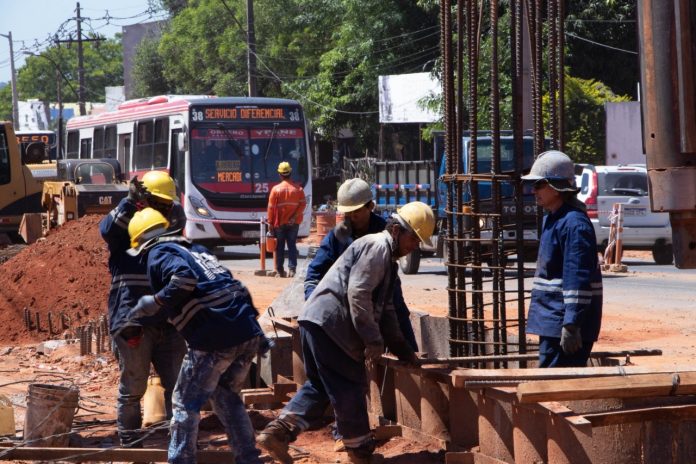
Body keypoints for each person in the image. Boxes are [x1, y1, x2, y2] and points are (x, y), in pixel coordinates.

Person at [256, 201, 435, 464]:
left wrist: (404, 350)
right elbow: (358, 294)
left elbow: (386, 312)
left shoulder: (386, 261)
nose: (414, 246)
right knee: (350, 386)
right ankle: (360, 453)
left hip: (315, 322)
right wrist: (372, 340)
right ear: (396, 230)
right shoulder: (378, 248)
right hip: (331, 326)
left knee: (320, 387)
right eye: (413, 238)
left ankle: (277, 433)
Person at [126, 207, 267, 464]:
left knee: (183, 403)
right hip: (246, 331)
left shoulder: (158, 252)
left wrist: (156, 300)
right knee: (226, 396)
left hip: (215, 336)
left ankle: (180, 460)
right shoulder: (196, 250)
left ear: (142, 243)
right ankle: (248, 458)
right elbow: (231, 285)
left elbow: (183, 279)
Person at [99, 170, 188, 447]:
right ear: (144, 200)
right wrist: (129, 203)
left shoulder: (172, 220)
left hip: (168, 321)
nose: (166, 209)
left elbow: (178, 222)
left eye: (167, 204)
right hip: (133, 320)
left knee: (179, 389)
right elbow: (107, 228)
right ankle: (130, 444)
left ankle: (180, 445)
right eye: (159, 203)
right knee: (134, 387)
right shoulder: (124, 232)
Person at [304, 178, 418, 351]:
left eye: (355, 212)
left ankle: (411, 360)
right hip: (347, 306)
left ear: (370, 206)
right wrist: (315, 306)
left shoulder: (385, 229)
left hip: (380, 295)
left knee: (398, 312)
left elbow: (390, 295)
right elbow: (314, 275)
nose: (351, 217)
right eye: (347, 213)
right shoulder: (339, 235)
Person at [521, 150, 603, 368]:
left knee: (554, 386)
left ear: (557, 188)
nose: (533, 190)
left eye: (539, 184)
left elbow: (577, 278)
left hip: (563, 325)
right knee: (549, 384)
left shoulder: (574, 224)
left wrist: (571, 324)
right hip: (552, 320)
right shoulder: (553, 219)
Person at [267, 161, 306, 278]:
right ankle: (292, 270)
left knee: (280, 246)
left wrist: (270, 223)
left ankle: (280, 271)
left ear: (280, 174)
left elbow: (270, 208)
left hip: (279, 223)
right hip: (293, 223)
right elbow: (303, 205)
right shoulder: (298, 189)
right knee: (292, 245)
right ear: (290, 173)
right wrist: (294, 217)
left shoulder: (275, 190)